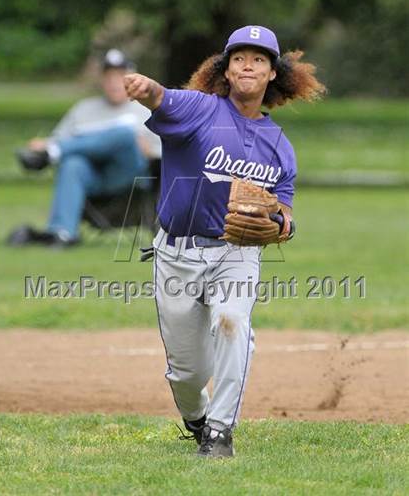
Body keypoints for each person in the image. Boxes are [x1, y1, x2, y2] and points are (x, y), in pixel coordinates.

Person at [124, 25, 325, 457]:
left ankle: (219, 432)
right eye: (238, 58)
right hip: (176, 253)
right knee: (186, 374)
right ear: (226, 70)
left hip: (236, 253)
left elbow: (285, 212)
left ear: (273, 73)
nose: (247, 65)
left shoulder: (280, 147)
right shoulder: (199, 109)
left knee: (233, 324)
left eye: (258, 59)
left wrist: (281, 226)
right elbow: (162, 98)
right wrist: (144, 88)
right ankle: (196, 419)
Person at [9, 49, 161, 248]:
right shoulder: (83, 109)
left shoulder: (147, 109)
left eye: (120, 76)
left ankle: (54, 151)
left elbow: (165, 155)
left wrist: (147, 149)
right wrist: (44, 144)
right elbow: (58, 136)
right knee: (73, 163)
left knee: (124, 133)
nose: (114, 82)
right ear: (101, 79)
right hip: (93, 178)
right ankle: (62, 233)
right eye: (108, 76)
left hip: (130, 178)